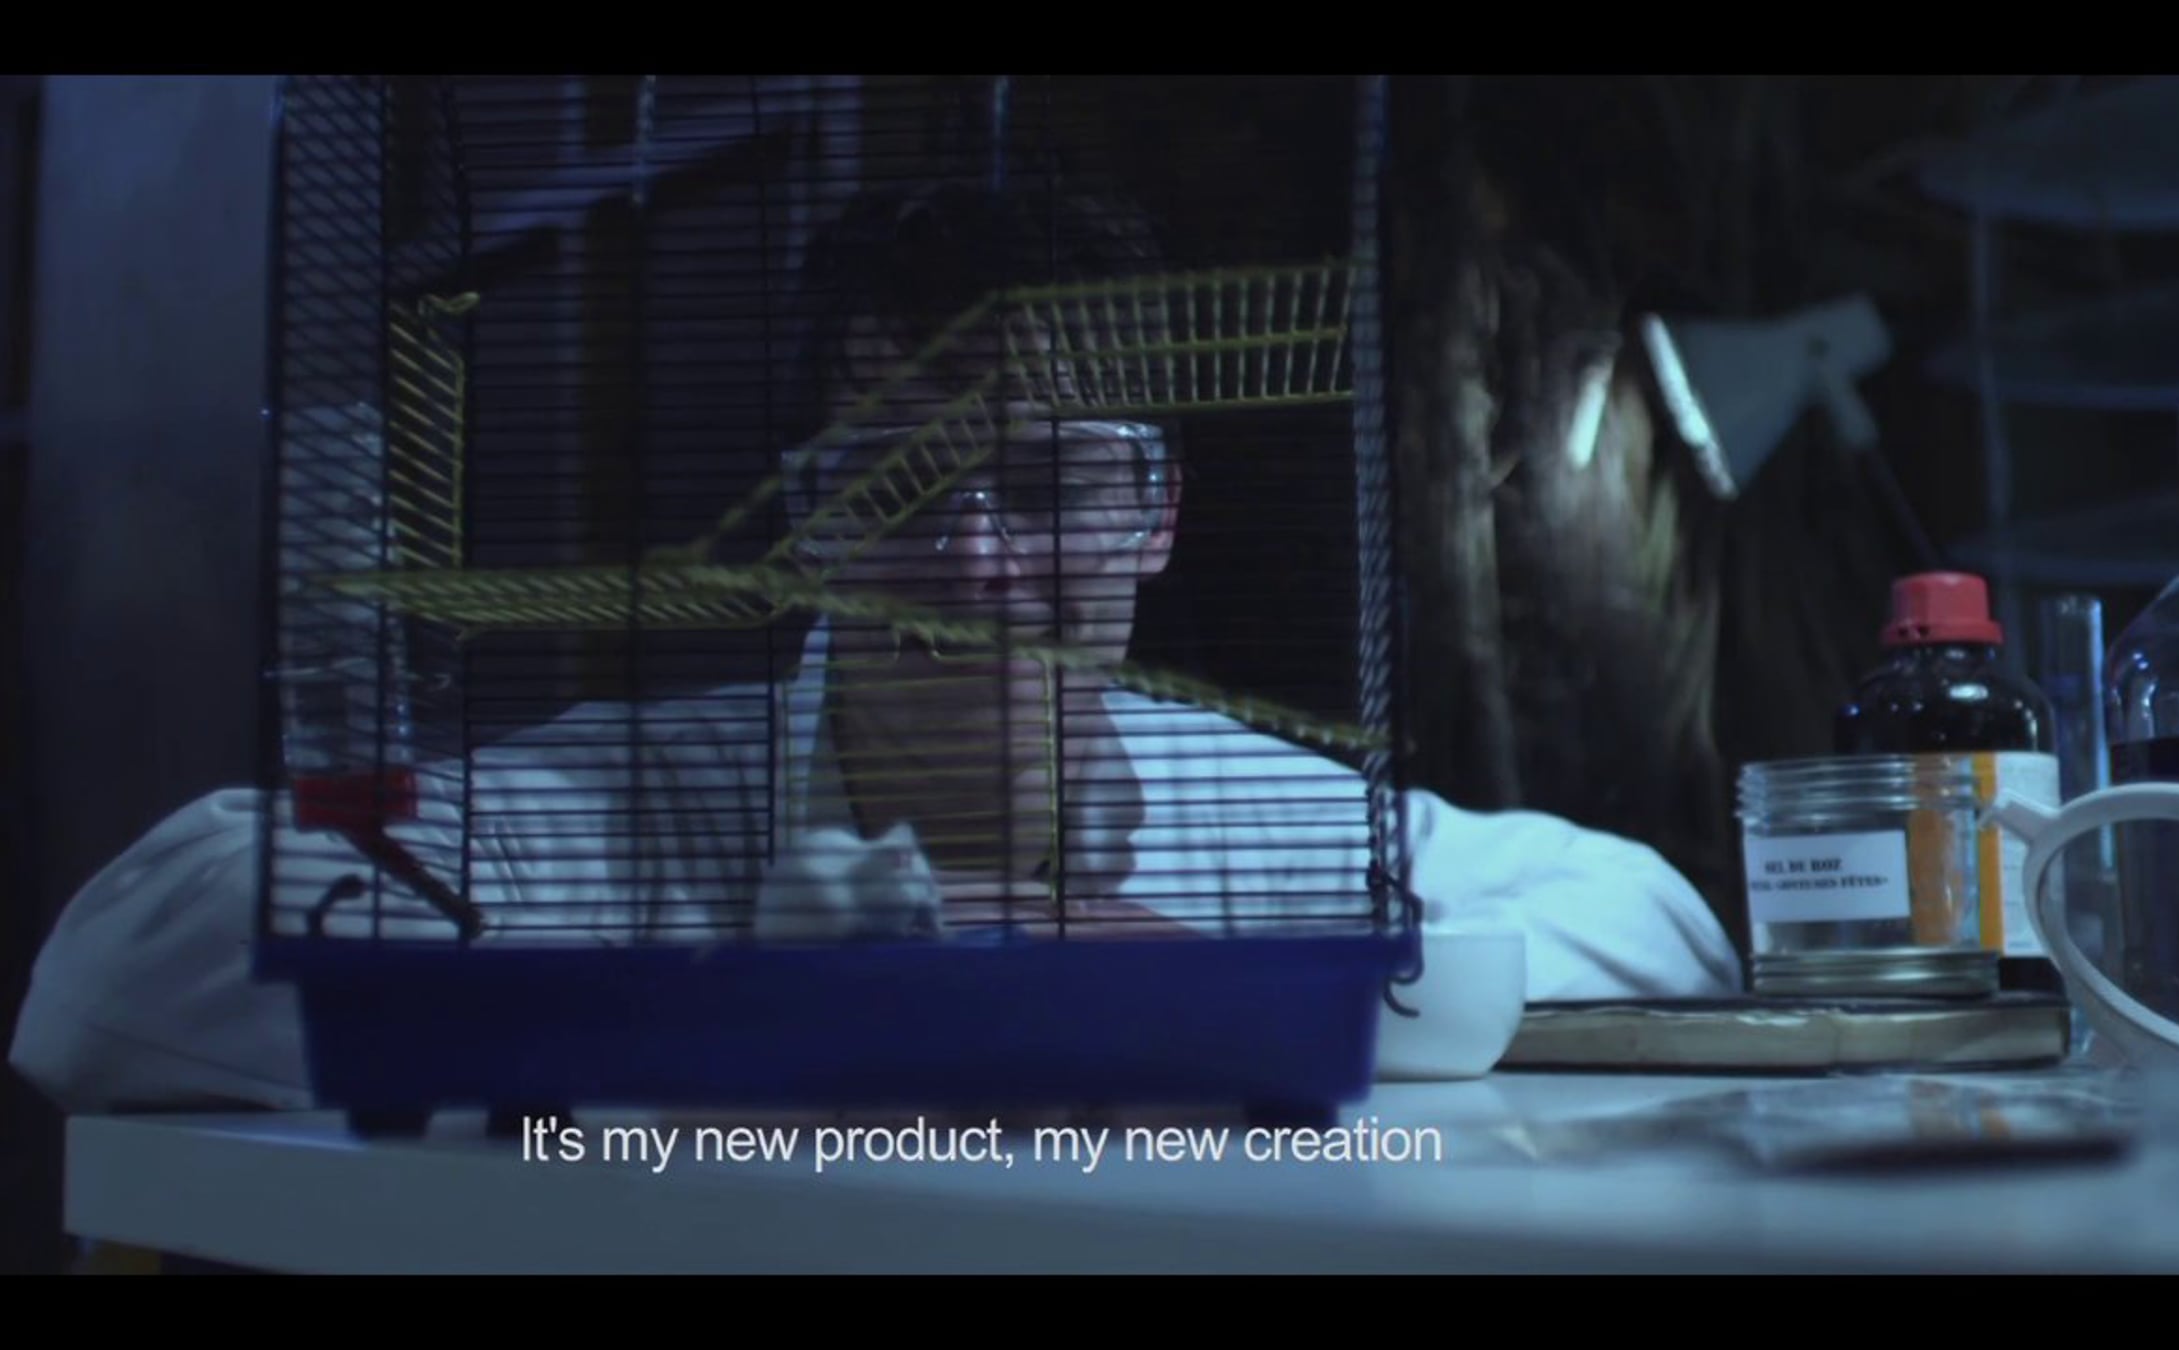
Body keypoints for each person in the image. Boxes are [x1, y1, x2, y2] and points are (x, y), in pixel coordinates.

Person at [9, 180, 1740, 1115]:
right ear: (809, 523)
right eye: (894, 486)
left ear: (1154, 514)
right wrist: (752, 991)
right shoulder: (629, 809)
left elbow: (1655, 930)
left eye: (1048, 488)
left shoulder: (1265, 814)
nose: (976, 562)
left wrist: (1169, 963)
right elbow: (126, 951)